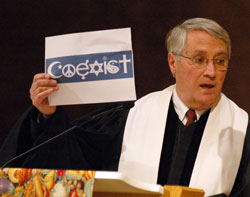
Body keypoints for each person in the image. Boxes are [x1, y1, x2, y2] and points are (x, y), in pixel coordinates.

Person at [0, 18, 249, 196]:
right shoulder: (130, 117)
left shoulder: (242, 131)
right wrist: (47, 113)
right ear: (173, 62)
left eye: (220, 61)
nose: (211, 71)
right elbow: (72, 159)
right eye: (199, 59)